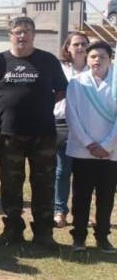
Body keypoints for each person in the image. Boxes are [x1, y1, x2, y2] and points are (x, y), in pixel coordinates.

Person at [0, 16, 68, 249]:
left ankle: (43, 232)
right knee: (11, 184)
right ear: (10, 35)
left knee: (44, 184)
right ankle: (12, 228)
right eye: (18, 31)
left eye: (27, 31)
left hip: (44, 134)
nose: (22, 35)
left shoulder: (48, 60)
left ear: (33, 34)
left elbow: (61, 91)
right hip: (10, 135)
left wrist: (41, 107)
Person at [65, 40, 117, 253]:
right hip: (82, 150)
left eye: (102, 57)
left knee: (106, 197)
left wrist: (106, 145)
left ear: (110, 59)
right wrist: (89, 143)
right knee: (81, 196)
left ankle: (103, 236)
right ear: (87, 59)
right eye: (93, 57)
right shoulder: (77, 83)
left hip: (111, 152)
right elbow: (72, 115)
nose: (97, 60)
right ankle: (78, 236)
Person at [53, 32, 89, 228]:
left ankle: (81, 213)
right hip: (62, 124)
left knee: (83, 172)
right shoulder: (60, 68)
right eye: (76, 44)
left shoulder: (94, 68)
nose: (80, 47)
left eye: (84, 44)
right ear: (67, 47)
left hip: (87, 125)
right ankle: (60, 210)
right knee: (62, 170)